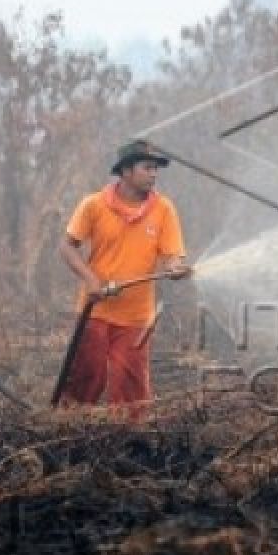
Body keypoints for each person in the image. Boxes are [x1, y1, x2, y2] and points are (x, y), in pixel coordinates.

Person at [58, 140, 191, 415]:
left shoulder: (163, 209)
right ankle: (70, 430)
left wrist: (176, 267)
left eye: (156, 168)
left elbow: (173, 255)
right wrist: (91, 280)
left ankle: (130, 442)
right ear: (126, 171)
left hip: (136, 318)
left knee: (131, 393)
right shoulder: (93, 205)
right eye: (148, 167)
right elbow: (67, 246)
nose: (154, 174)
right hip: (96, 311)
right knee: (85, 378)